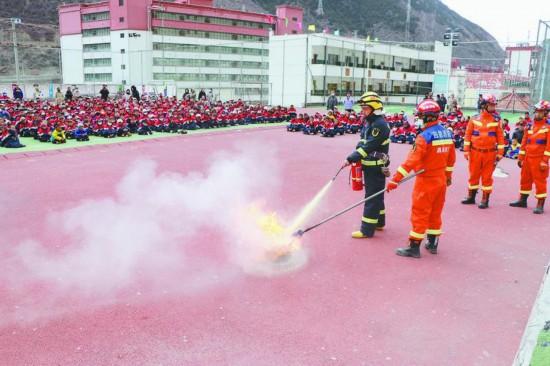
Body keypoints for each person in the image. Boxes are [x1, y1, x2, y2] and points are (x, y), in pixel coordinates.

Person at [386, 99, 455, 258]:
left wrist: (394, 180)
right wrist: (448, 176)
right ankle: (432, 243)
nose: (419, 118)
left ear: (428, 117)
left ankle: (414, 246)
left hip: (426, 181)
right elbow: (451, 159)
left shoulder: (424, 137)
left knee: (420, 212)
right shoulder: (446, 133)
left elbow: (411, 162)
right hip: (441, 180)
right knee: (435, 212)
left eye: (421, 116)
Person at [343, 92, 390, 239]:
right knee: (377, 195)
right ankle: (379, 222)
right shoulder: (370, 122)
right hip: (370, 165)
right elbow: (363, 141)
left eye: (365, 108)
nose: (362, 111)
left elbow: (369, 146)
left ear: (374, 108)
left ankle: (366, 230)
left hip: (375, 167)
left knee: (371, 197)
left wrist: (350, 158)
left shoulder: (379, 125)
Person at [461, 94, 504, 209]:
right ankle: (471, 197)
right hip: (475, 152)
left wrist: (500, 153)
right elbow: (467, 135)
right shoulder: (474, 119)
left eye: (494, 105)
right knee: (473, 175)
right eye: (491, 105)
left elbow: (500, 138)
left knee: (487, 177)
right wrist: (466, 151)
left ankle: (485, 199)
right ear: (484, 105)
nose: (493, 107)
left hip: (490, 153)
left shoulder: (496, 120)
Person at [509, 100, 550, 214]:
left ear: (545, 113)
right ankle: (522, 200)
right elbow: (523, 143)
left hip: (539, 159)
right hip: (527, 158)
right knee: (525, 180)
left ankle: (540, 204)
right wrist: (521, 158)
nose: (536, 113)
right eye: (536, 111)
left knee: (540, 182)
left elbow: (548, 147)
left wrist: (545, 161)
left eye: (539, 111)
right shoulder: (530, 126)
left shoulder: (548, 127)